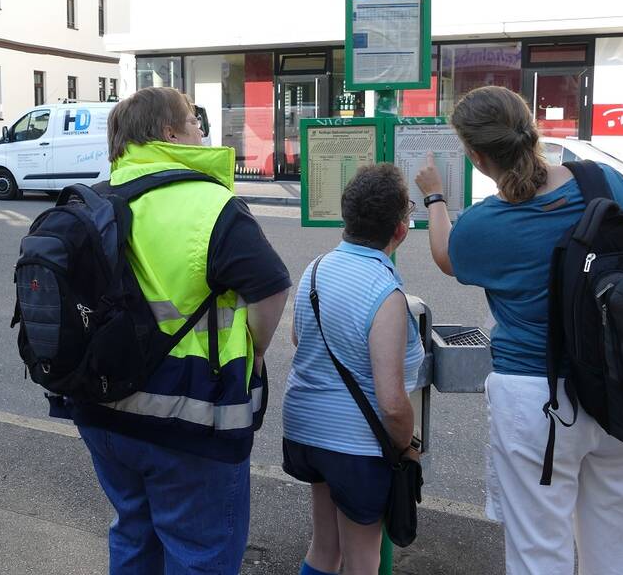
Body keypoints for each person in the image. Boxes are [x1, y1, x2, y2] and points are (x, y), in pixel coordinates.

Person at [415, 86, 623, 575]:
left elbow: (447, 256)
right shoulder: (606, 182)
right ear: (531, 128)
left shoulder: (489, 224)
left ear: (474, 154)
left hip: (538, 400)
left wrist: (435, 198)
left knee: (539, 554)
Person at [55, 87, 291, 574]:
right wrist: (257, 350)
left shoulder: (95, 201)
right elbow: (270, 290)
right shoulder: (211, 205)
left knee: (134, 535)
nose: (201, 129)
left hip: (102, 410)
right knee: (198, 553)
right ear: (169, 134)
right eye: (193, 120)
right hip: (191, 417)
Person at [282, 163, 425, 575]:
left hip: (307, 432)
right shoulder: (386, 293)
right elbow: (393, 404)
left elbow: (297, 338)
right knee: (363, 561)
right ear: (399, 230)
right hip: (356, 446)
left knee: (325, 549)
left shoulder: (317, 268)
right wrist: (406, 448)